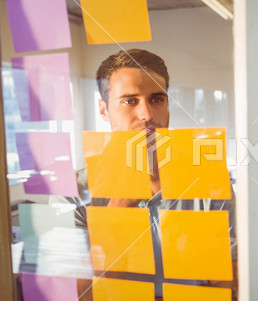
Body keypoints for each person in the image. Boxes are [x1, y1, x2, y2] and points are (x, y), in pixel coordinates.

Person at [50, 49, 237, 300]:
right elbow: (80, 297)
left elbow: (230, 282)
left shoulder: (208, 181)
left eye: (157, 99)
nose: (147, 115)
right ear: (104, 110)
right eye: (130, 101)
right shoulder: (72, 192)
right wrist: (115, 217)